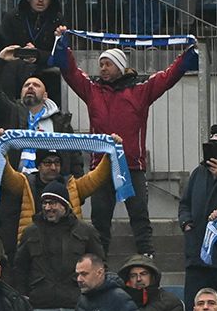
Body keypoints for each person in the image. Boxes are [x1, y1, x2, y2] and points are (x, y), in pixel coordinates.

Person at [52, 32, 197, 256]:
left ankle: (147, 259)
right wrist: (62, 46)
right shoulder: (92, 91)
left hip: (132, 166)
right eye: (101, 64)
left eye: (108, 64)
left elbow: (167, 77)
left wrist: (187, 57)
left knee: (139, 216)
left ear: (121, 67)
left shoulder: (140, 91)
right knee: (100, 218)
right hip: (101, 167)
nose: (102, 68)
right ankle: (99, 263)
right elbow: (71, 73)